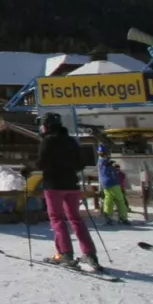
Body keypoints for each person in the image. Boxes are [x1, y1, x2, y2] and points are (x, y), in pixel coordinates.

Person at [36, 113, 100, 270]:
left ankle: (65, 254)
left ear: (46, 126)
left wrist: (29, 169)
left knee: (57, 219)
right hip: (72, 184)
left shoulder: (47, 141)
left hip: (53, 185)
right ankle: (89, 254)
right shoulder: (71, 141)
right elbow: (80, 163)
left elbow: (41, 163)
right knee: (76, 219)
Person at [96, 144, 131, 225]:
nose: (107, 155)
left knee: (109, 199)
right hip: (112, 182)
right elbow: (107, 168)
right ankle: (122, 217)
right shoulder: (103, 162)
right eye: (106, 153)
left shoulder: (101, 161)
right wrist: (113, 167)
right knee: (119, 200)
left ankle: (108, 215)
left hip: (107, 183)